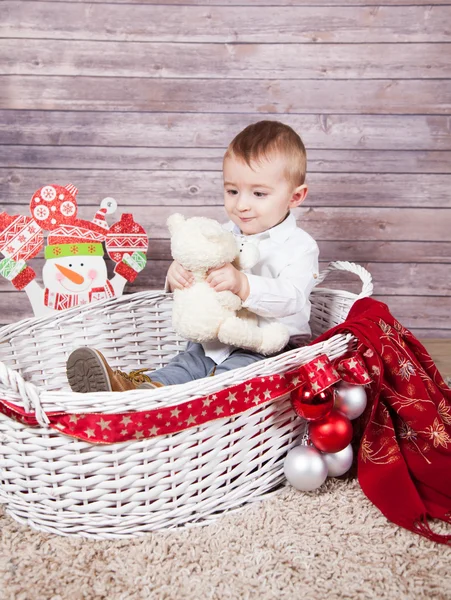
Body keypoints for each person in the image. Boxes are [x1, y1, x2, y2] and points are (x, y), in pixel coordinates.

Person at [66, 120, 320, 393]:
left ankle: (197, 403)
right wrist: (177, 276)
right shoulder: (218, 236)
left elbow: (293, 298)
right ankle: (137, 393)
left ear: (295, 197)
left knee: (232, 377)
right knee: (185, 364)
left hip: (270, 349)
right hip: (214, 341)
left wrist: (245, 285)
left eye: (259, 193)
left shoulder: (300, 246)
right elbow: (197, 275)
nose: (241, 204)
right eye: (232, 191)